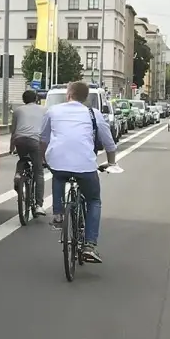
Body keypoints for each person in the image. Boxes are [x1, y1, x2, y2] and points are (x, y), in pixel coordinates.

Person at [40, 80, 117, 264]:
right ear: (85, 98)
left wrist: (44, 159)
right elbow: (108, 142)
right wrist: (111, 162)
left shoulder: (53, 111)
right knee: (94, 200)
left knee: (58, 174)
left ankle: (58, 214)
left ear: (68, 94)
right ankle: (89, 245)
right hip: (85, 165)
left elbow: (42, 139)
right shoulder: (93, 114)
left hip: (57, 162)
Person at [10, 88, 46, 217]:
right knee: (39, 171)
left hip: (20, 140)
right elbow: (47, 131)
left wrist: (11, 147)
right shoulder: (43, 110)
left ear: (23, 100)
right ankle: (38, 205)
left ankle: (18, 175)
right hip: (35, 141)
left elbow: (13, 131)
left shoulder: (18, 111)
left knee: (22, 159)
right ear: (36, 99)